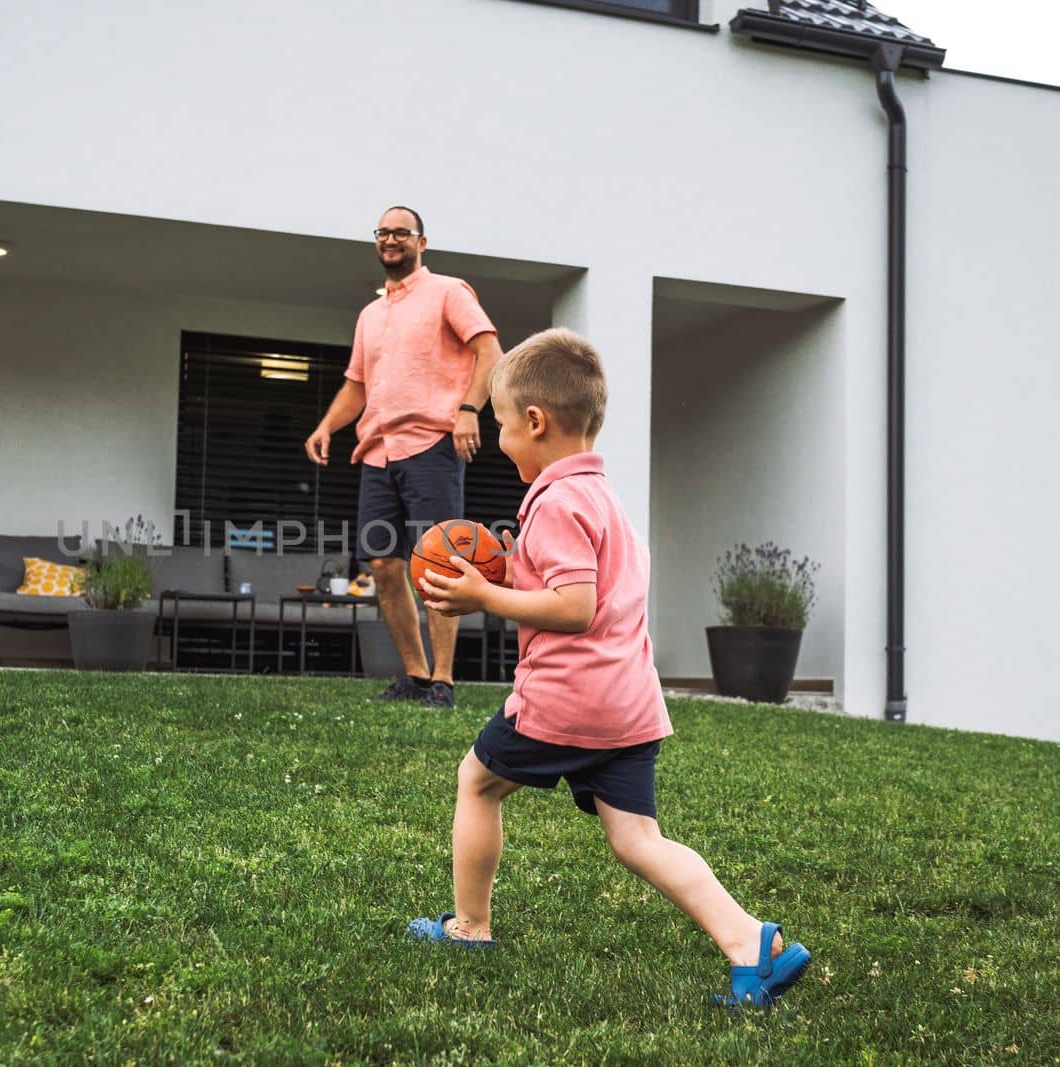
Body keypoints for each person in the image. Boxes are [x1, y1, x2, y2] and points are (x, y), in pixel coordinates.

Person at [406, 328, 810, 1008]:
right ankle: (751, 942)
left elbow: (574, 606)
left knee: (476, 781)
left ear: (535, 422)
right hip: (629, 704)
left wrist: (484, 594)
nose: (501, 441)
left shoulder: (557, 502)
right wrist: (513, 566)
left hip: (569, 701)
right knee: (639, 839)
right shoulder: (605, 501)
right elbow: (589, 585)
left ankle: (470, 926)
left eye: (503, 427)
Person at [305, 206, 503, 709]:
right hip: (377, 451)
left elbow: (490, 351)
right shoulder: (371, 315)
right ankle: (414, 676)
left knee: (438, 563)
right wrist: (328, 426)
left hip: (432, 446)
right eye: (383, 232)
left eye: (401, 232)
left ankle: (443, 680)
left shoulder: (449, 292)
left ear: (422, 241)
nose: (391, 239)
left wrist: (468, 410)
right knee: (384, 563)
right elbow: (357, 384)